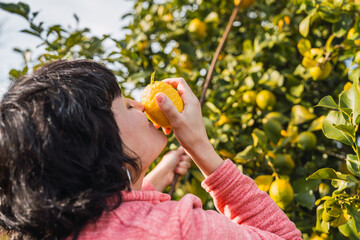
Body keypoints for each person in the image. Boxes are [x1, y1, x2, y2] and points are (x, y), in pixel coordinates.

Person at [0, 60, 302, 240]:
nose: (140, 104)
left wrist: (159, 170)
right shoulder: (177, 229)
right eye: (124, 104)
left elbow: (119, 210)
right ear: (96, 143)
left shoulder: (64, 225)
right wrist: (200, 147)